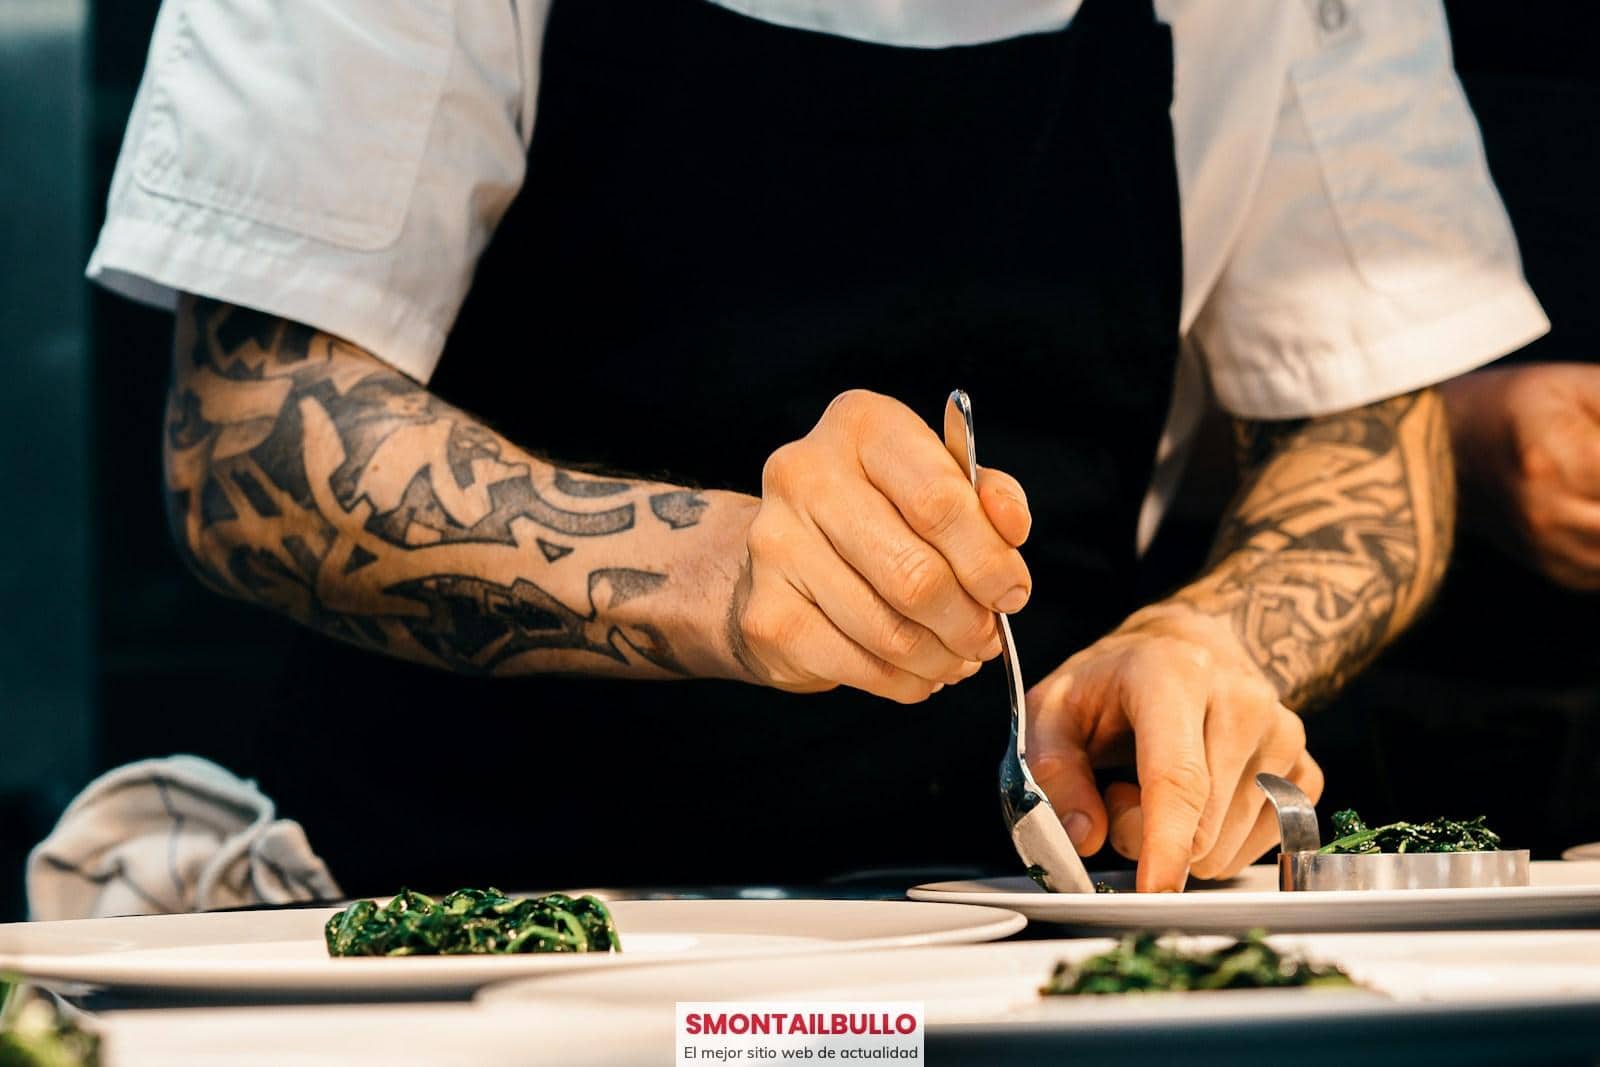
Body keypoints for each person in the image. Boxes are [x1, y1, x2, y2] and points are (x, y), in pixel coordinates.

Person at [86, 0, 1547, 893]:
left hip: (1024, 932)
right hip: (471, 927)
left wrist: (1223, 644)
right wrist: (714, 567)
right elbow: (248, 433)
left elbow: (1367, 403)